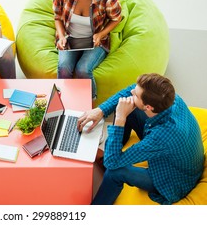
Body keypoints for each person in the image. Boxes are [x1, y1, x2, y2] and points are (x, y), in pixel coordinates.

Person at [77, 73, 204, 204]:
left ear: (149, 107)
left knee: (115, 171)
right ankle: (114, 151)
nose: (132, 91)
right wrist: (101, 110)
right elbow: (131, 90)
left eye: (136, 94)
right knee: (125, 105)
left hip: (173, 180)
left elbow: (112, 164)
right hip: (178, 154)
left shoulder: (159, 137)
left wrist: (120, 118)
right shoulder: (170, 98)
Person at [53, 0, 122, 99]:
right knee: (63, 68)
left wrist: (100, 34)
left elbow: (116, 18)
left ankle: (88, 105)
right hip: (70, 38)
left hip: (94, 41)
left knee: (83, 70)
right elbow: (57, 17)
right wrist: (61, 36)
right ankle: (62, 101)